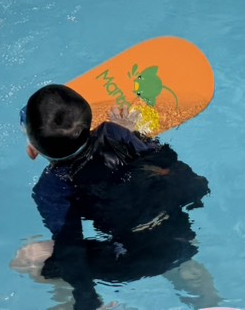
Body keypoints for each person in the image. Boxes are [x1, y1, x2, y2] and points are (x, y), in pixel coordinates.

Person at [12, 83, 221, 310]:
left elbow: (70, 248)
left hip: (128, 261)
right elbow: (173, 168)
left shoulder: (51, 188)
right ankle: (204, 295)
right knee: (165, 246)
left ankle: (80, 304)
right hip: (180, 235)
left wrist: (86, 298)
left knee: (32, 258)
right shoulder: (115, 133)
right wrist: (134, 134)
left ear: (32, 150)